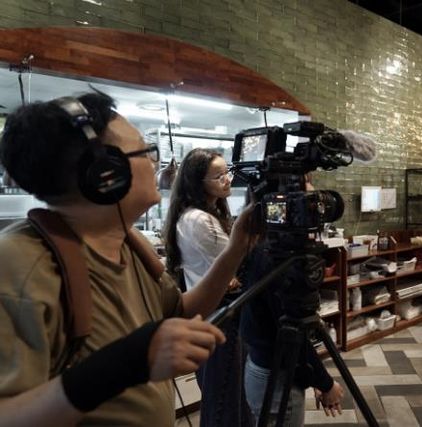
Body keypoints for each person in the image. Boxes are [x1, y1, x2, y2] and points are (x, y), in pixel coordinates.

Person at [0, 92, 251, 426]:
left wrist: (237, 247)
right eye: (146, 152)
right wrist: (124, 363)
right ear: (106, 173)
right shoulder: (18, 265)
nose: (156, 165)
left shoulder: (129, 245)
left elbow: (180, 311)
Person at [240, 174, 344, 426]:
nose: (315, 195)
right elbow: (289, 334)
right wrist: (325, 383)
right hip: (275, 380)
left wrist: (312, 378)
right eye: (305, 186)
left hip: (265, 368)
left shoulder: (262, 245)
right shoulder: (274, 258)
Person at [163, 148, 250, 427]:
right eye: (218, 176)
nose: (227, 180)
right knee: (224, 401)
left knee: (228, 397)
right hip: (219, 314)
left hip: (216, 311)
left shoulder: (205, 214)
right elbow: (238, 262)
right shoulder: (199, 220)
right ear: (197, 182)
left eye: (227, 172)